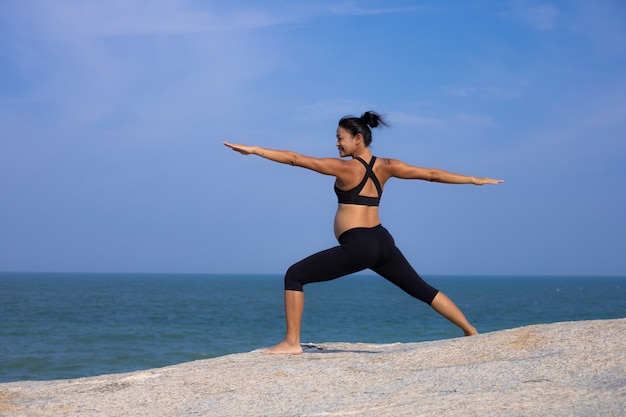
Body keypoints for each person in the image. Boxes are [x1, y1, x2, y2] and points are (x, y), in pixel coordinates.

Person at [223, 111, 503, 354]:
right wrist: (473, 180)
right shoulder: (387, 166)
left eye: (340, 137)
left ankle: (291, 342)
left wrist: (256, 150)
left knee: (294, 275)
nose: (336, 143)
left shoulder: (345, 169)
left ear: (358, 138)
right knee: (422, 289)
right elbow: (430, 174)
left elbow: (296, 159)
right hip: (382, 241)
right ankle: (470, 330)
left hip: (359, 245)